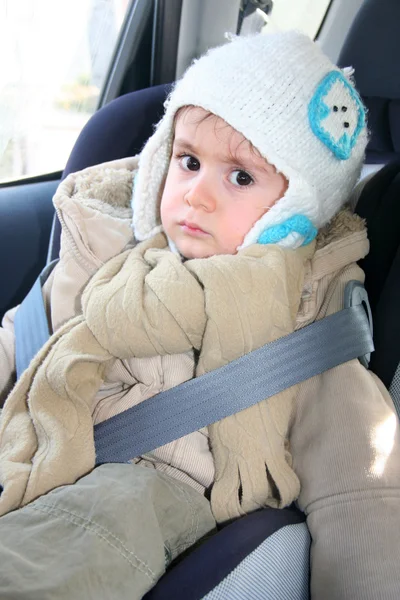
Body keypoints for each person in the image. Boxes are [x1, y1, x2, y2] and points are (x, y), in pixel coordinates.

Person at [0, 31, 398, 599]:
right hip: (33, 445)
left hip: (146, 502)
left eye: (240, 176)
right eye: (187, 161)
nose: (196, 195)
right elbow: (22, 339)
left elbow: (362, 490)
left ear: (294, 211)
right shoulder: (112, 255)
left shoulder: (305, 324)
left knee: (103, 517)